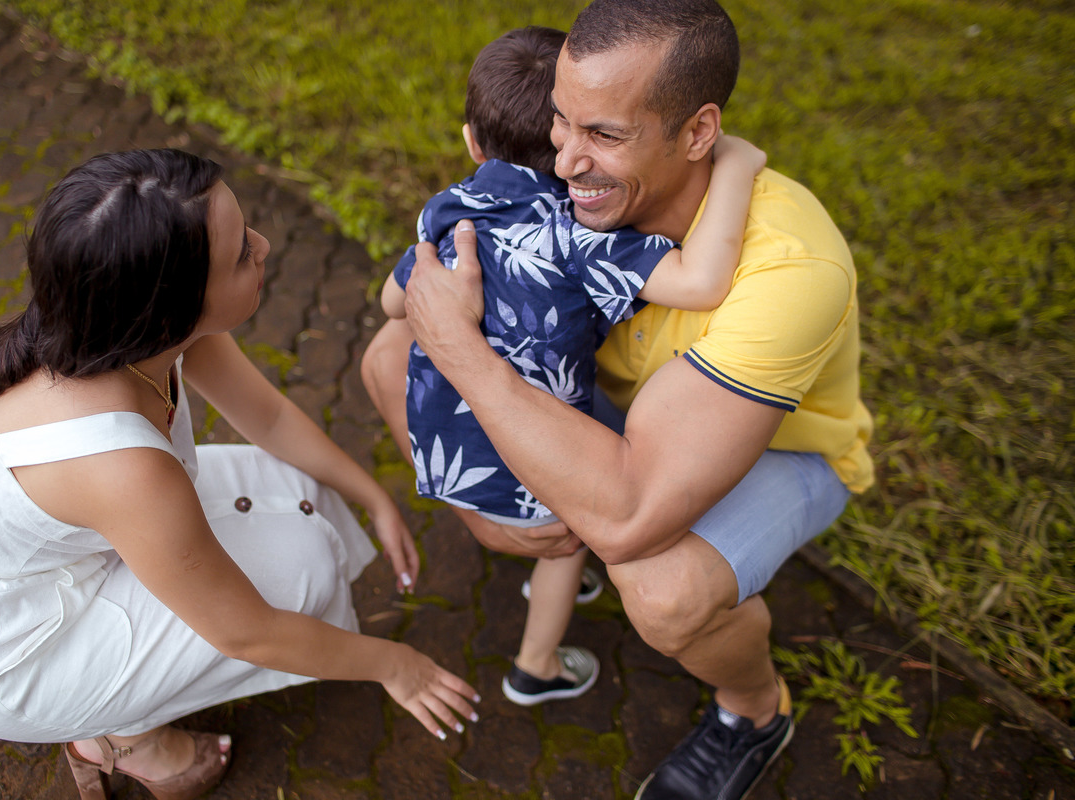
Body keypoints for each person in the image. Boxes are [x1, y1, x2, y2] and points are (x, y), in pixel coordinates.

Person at [361, 0, 874, 798]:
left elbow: (631, 514)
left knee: (662, 589)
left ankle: (753, 711)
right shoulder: (569, 200)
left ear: (698, 133)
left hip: (781, 450)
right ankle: (556, 542)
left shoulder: (789, 268)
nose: (566, 161)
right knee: (389, 354)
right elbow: (397, 331)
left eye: (604, 134)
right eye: (560, 121)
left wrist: (464, 354)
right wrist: (477, 511)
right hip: (626, 416)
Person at [0, 149, 479, 800]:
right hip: (9, 651)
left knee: (300, 492)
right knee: (300, 569)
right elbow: (247, 630)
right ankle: (118, 738)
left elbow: (269, 418)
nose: (265, 245)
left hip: (50, 562)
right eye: (240, 254)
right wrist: (396, 667)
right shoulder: (121, 466)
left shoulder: (131, 332)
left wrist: (369, 495)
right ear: (169, 305)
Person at [379, 25, 765, 708]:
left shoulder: (448, 209)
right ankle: (537, 664)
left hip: (446, 446)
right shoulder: (579, 234)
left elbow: (391, 302)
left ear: (472, 141)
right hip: (530, 458)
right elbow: (703, 281)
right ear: (562, 143)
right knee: (566, 543)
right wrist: (734, 162)